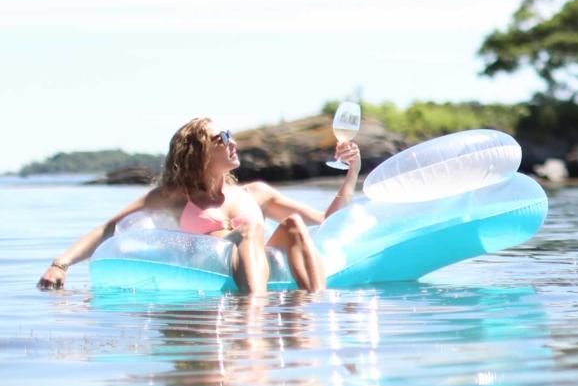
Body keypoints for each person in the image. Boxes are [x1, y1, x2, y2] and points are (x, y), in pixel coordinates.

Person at [37, 116, 361, 294]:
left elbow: (324, 222)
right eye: (222, 138)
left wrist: (351, 175)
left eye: (230, 135)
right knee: (245, 234)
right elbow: (109, 228)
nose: (232, 142)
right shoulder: (176, 198)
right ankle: (256, 309)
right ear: (198, 152)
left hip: (257, 268)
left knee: (291, 225)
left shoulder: (255, 193)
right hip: (212, 268)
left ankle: (317, 303)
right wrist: (60, 264)